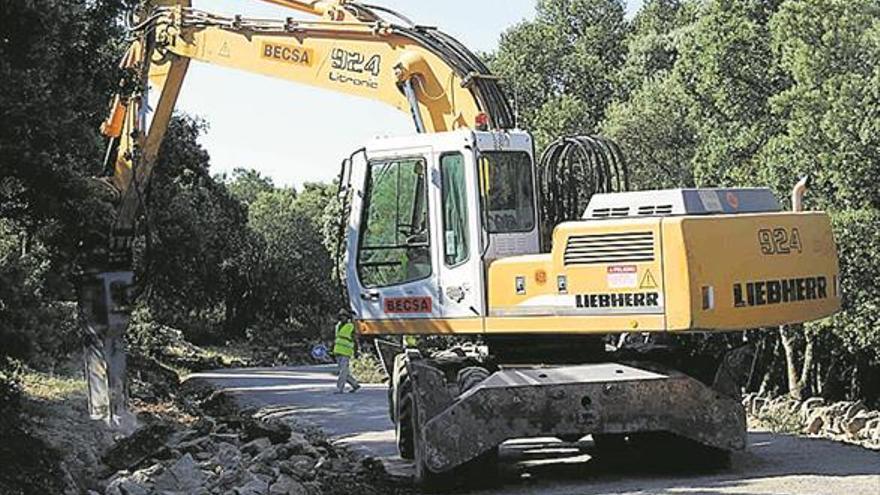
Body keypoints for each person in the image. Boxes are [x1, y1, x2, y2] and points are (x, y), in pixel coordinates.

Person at [333, 310, 361, 394]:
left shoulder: (351, 326)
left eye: (344, 316)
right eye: (341, 316)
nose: (342, 317)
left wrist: (356, 351)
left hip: (346, 352)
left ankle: (339, 388)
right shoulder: (337, 326)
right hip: (337, 351)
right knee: (343, 371)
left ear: (347, 317)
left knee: (343, 371)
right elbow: (336, 338)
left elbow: (355, 340)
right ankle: (355, 384)